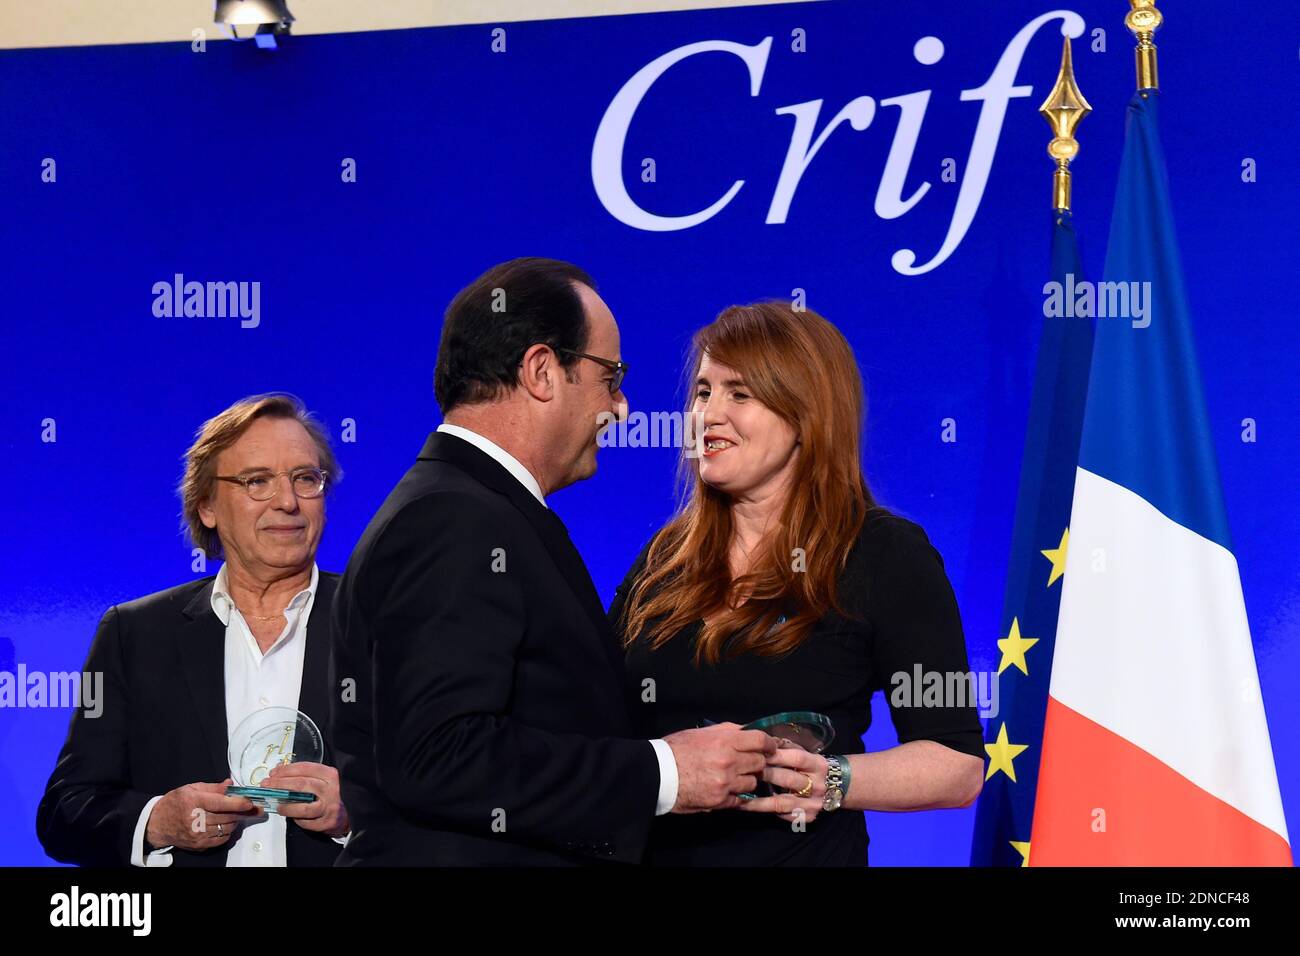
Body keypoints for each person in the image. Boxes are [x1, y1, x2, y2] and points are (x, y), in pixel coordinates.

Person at [330, 257, 777, 865]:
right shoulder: (453, 519)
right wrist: (665, 771)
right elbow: (437, 755)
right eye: (610, 377)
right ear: (543, 370)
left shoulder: (480, 507)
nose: (620, 408)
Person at [611, 302, 985, 866]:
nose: (709, 414)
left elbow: (956, 766)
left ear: (806, 415)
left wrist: (830, 778)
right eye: (704, 391)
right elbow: (595, 719)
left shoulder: (885, 555)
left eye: (740, 394)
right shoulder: (664, 558)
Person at [37, 393, 350, 867]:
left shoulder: (386, 623)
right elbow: (66, 812)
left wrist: (355, 816)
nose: (287, 502)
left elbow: (456, 798)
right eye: (257, 481)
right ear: (206, 506)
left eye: (305, 479)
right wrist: (159, 820)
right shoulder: (136, 634)